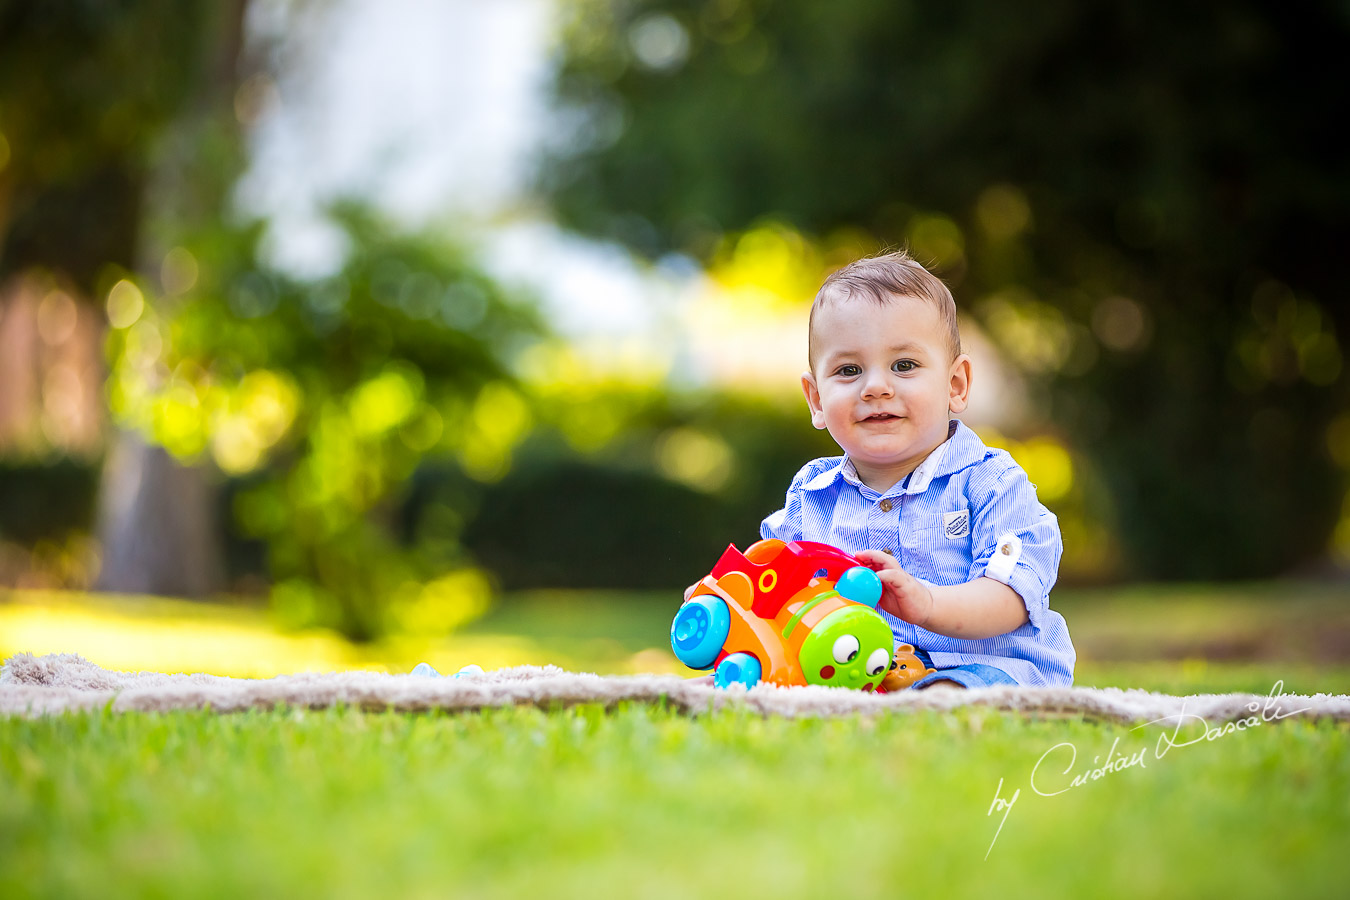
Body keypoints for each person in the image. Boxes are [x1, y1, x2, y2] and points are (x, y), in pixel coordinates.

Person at [758, 250, 1075, 689]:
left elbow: (1012, 596)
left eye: (904, 365)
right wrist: (731, 597)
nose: (876, 387)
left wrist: (927, 602)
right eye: (849, 370)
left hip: (988, 669)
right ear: (816, 400)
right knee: (758, 686)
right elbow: (772, 589)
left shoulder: (991, 484)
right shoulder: (811, 495)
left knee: (947, 694)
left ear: (955, 385)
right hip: (860, 671)